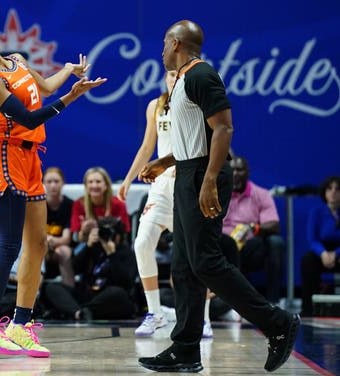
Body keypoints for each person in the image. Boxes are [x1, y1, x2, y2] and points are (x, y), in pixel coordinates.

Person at [137, 20, 299, 373]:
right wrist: (163, 162)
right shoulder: (180, 82)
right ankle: (185, 349)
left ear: (177, 43)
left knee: (206, 261)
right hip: (186, 172)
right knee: (184, 266)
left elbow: (224, 128)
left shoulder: (200, 75)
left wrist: (209, 179)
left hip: (202, 175)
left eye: (164, 42)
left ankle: (277, 322)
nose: (161, 49)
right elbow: (194, 139)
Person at [0, 29, 107, 357]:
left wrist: (67, 71)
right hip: (6, 157)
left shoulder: (16, 60)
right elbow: (29, 117)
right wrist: (72, 97)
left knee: (39, 244)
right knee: (9, 244)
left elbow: (45, 87)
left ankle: (20, 325)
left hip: (31, 157)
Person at [119, 70, 176, 336]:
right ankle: (155, 312)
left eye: (179, 73)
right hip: (161, 188)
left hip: (188, 188)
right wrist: (129, 179)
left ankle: (204, 318)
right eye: (170, 73)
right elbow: (147, 147)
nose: (174, 78)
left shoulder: (200, 104)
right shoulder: (156, 105)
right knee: (141, 244)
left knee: (194, 258)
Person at [44, 216, 137, 320]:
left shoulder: (127, 253)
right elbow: (75, 269)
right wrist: (87, 247)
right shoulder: (94, 247)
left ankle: (76, 311)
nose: (105, 236)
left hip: (108, 298)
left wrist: (112, 255)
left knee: (118, 293)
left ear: (118, 236)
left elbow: (126, 282)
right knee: (51, 287)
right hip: (89, 294)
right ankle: (79, 313)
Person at [222, 156, 285, 304]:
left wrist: (252, 227)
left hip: (248, 247)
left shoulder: (261, 194)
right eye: (232, 170)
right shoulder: (218, 192)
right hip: (222, 245)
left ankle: (272, 302)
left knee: (275, 242)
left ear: (247, 172)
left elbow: (274, 225)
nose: (235, 174)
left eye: (239, 170)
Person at [300, 176, 340, 316]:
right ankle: (308, 309)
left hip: (338, 253)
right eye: (330, 188)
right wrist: (323, 253)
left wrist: (336, 254)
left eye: (337, 189)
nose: (334, 192)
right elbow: (312, 240)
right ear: (324, 192)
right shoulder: (316, 213)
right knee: (308, 260)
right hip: (321, 252)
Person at [70, 167, 131, 254]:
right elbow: (75, 238)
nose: (94, 185)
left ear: (106, 185)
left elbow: (125, 234)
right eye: (90, 182)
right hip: (88, 245)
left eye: (98, 182)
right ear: (86, 186)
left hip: (113, 244)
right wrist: (83, 232)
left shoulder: (119, 204)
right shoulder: (79, 204)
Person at [42, 167, 74, 287]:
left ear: (63, 183)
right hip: (40, 246)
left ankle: (70, 291)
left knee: (64, 251)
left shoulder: (70, 205)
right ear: (44, 183)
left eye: (56, 181)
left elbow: (66, 239)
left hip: (60, 247)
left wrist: (50, 240)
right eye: (49, 182)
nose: (53, 185)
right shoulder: (36, 205)